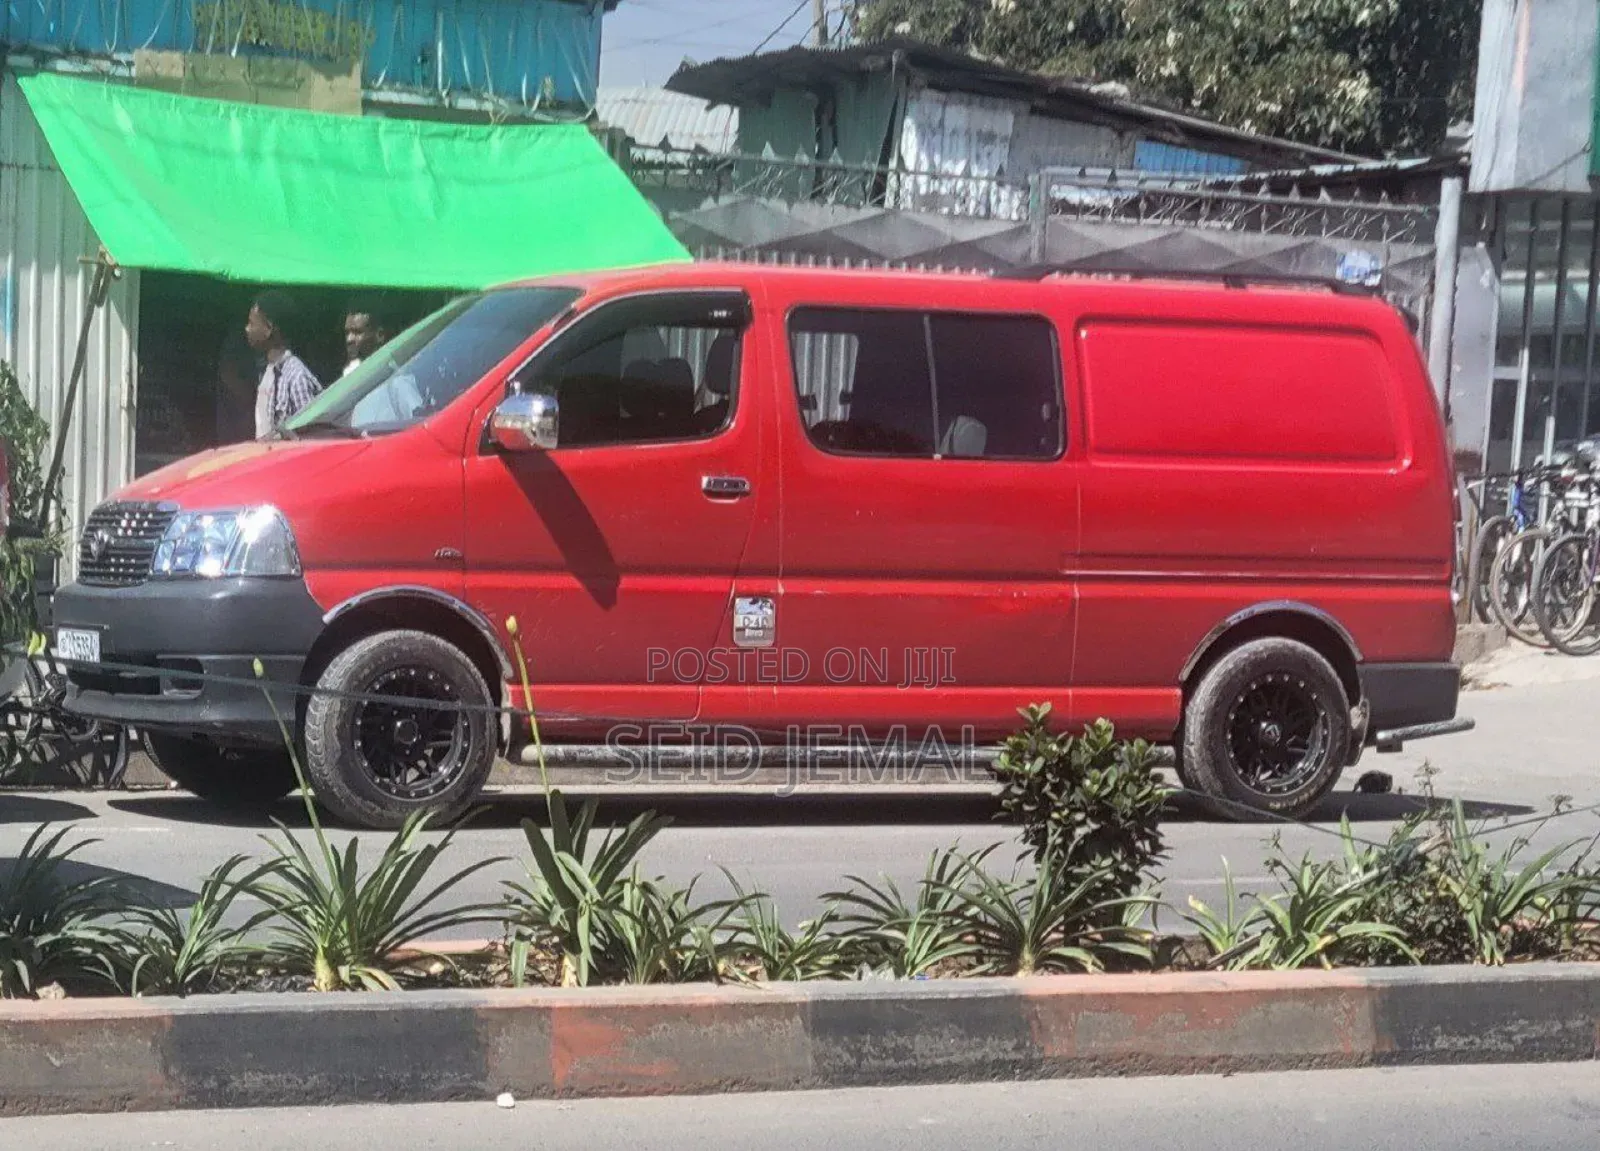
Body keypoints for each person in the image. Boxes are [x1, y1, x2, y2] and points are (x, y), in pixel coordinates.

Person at [244, 290, 322, 439]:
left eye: (252, 323)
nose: (247, 329)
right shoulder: (268, 371)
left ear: (269, 328)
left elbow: (311, 435)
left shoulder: (296, 377)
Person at [342, 295, 393, 379]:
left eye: (357, 332)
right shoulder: (349, 375)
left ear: (380, 335)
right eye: (347, 333)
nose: (349, 339)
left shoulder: (398, 374)